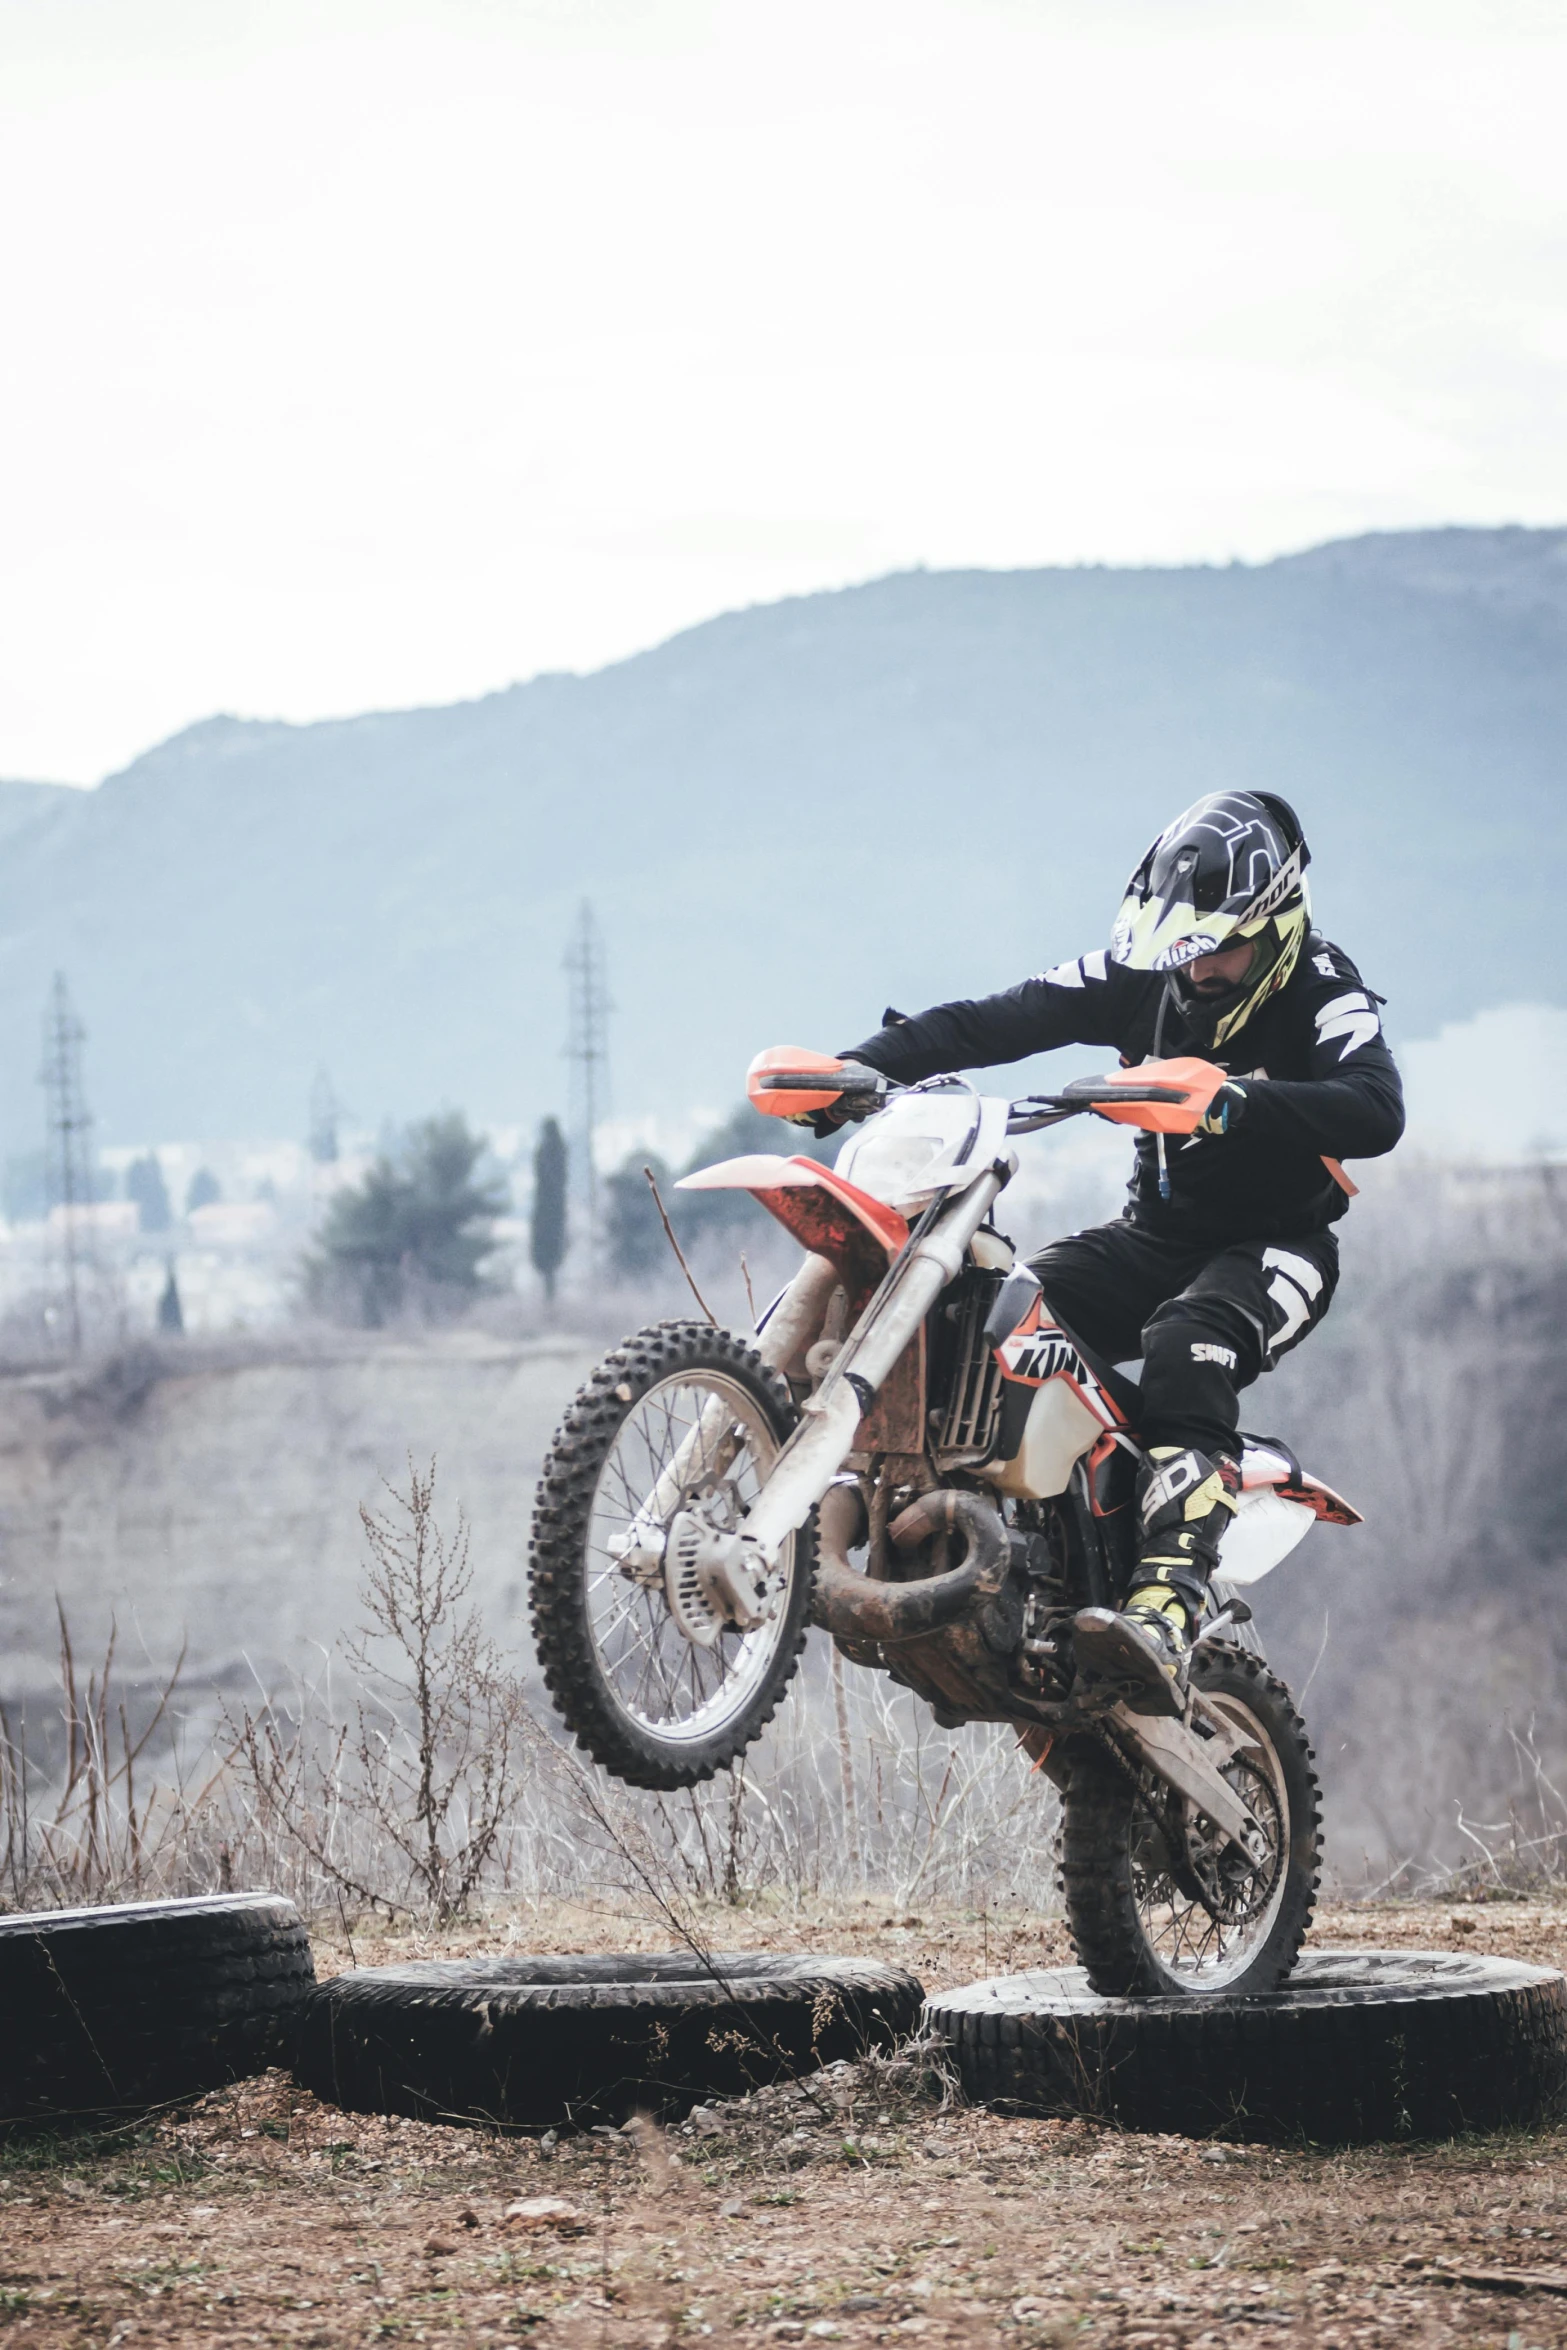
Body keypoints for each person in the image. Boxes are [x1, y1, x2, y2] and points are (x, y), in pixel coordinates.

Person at [815, 791, 1404, 1716]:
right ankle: (1025, 1559)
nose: (1202, 968)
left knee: (1187, 1337)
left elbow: (1376, 1107)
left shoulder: (1323, 985)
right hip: (1152, 1238)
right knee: (999, 1314)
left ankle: (1168, 1596)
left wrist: (1234, 1101)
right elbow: (990, 1019)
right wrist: (860, 1068)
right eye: (1188, 946)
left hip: (1275, 1249)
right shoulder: (1144, 970)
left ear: (1281, 924)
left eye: (1224, 947)